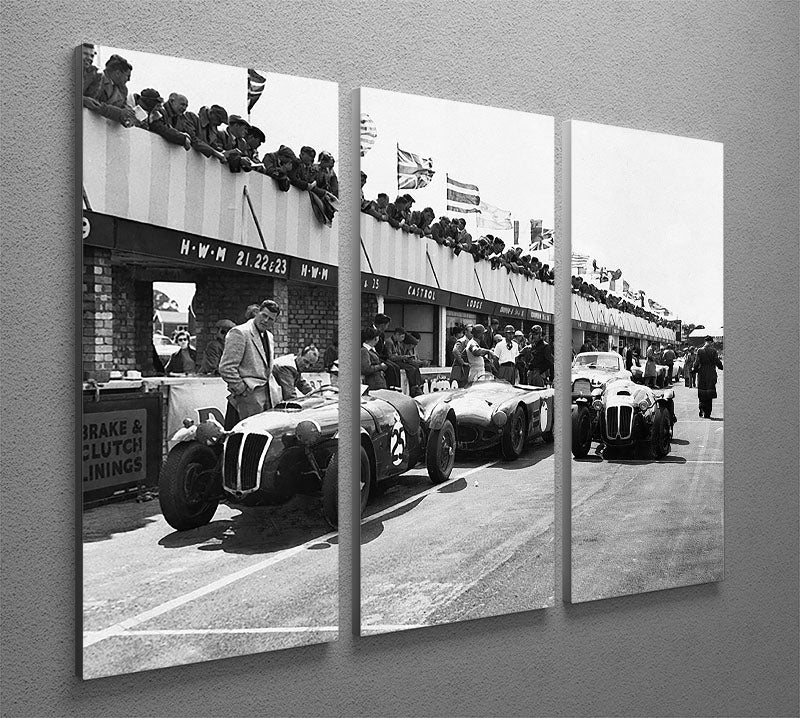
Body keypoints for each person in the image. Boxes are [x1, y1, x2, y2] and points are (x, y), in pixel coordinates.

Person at [218, 299, 280, 428]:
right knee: (240, 441)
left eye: (271, 319)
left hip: (266, 399)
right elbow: (226, 367)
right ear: (257, 312)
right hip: (245, 399)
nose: (266, 321)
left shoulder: (269, 336)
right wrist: (242, 389)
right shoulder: (240, 332)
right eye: (264, 315)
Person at [83, 53, 137, 127]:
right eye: (127, 76)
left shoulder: (122, 90)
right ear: (117, 73)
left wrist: (128, 116)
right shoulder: (95, 77)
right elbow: (91, 103)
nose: (129, 80)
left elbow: (122, 108)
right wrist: (119, 113)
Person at [385, 327, 423, 396]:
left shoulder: (398, 343)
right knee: (411, 369)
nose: (403, 339)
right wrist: (404, 357)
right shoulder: (389, 342)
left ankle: (418, 386)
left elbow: (399, 354)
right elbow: (390, 356)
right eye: (402, 337)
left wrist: (405, 357)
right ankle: (413, 387)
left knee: (415, 367)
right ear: (397, 335)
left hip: (399, 360)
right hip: (393, 362)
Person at [693, 336, 723, 418]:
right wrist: (721, 367)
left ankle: (701, 409)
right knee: (709, 393)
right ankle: (707, 413)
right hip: (711, 373)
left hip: (702, 373)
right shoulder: (713, 351)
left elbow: (696, 362)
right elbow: (717, 361)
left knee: (702, 392)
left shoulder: (699, 350)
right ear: (711, 342)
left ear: (705, 341)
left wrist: (694, 369)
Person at [360, 327, 387, 392]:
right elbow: (366, 369)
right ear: (375, 338)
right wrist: (380, 366)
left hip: (377, 382)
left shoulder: (371, 350)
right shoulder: (364, 351)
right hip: (373, 384)